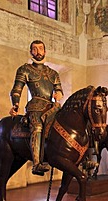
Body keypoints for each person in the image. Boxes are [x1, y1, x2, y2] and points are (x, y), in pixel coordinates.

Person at [9, 40, 64, 175]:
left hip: (51, 107)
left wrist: (59, 94)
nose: (38, 52)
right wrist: (15, 104)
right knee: (37, 127)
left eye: (40, 49)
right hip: (35, 106)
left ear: (45, 51)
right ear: (31, 52)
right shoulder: (25, 69)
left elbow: (59, 90)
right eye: (35, 49)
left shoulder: (53, 73)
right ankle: (37, 163)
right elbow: (17, 89)